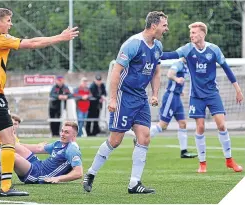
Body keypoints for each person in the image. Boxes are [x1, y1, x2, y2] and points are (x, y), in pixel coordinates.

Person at [0, 8, 79, 197]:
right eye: (8, 20)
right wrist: (60, 37)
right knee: (9, 139)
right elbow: (33, 43)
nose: (11, 24)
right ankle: (6, 187)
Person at [83, 11, 169, 194]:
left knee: (144, 137)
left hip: (141, 98)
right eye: (164, 25)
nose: (166, 29)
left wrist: (154, 94)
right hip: (124, 96)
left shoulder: (158, 47)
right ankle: (91, 173)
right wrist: (113, 98)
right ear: (154, 26)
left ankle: (134, 183)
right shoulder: (133, 44)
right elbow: (116, 72)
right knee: (115, 140)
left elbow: (156, 72)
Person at [162, 22, 243, 173]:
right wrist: (155, 52)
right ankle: (202, 163)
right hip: (196, 96)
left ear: (202, 34)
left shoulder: (214, 50)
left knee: (221, 125)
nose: (191, 35)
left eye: (194, 32)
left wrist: (238, 90)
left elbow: (227, 69)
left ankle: (230, 161)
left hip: (212, 94)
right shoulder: (187, 49)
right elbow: (171, 55)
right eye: (191, 33)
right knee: (200, 127)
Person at [148, 58, 197, 158]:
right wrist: (177, 79)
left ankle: (184, 152)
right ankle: (141, 138)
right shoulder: (178, 64)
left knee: (183, 123)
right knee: (163, 125)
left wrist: (180, 90)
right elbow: (170, 74)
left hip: (177, 97)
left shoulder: (185, 66)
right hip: (170, 97)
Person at [14, 121, 83, 184]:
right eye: (62, 131)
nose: (62, 134)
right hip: (38, 164)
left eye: (66, 132)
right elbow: (39, 148)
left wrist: (58, 178)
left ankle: (4, 183)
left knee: (13, 156)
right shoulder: (58, 143)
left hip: (38, 175)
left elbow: (78, 173)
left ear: (74, 135)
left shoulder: (72, 149)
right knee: (12, 144)